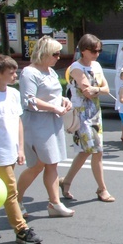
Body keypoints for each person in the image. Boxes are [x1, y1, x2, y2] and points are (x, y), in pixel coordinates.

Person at [0, 55, 42, 244]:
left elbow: (18, 122)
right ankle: (21, 230)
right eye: (11, 73)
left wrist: (20, 149)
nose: (15, 76)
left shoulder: (14, 94)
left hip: (11, 149)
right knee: (10, 191)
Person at [16, 37, 72, 219]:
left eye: (59, 53)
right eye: (55, 54)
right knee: (37, 165)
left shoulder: (51, 72)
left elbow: (56, 94)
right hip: (37, 122)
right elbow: (29, 100)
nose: (58, 57)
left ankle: (54, 203)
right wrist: (53, 107)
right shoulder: (29, 72)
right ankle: (16, 199)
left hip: (52, 121)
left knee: (52, 163)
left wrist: (64, 100)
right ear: (44, 54)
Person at [59, 34, 115, 203]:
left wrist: (96, 89)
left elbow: (106, 88)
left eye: (99, 50)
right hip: (81, 114)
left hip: (95, 113)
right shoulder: (76, 68)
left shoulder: (96, 65)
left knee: (86, 151)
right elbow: (86, 92)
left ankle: (66, 181)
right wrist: (98, 90)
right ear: (83, 51)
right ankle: (102, 189)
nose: (97, 54)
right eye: (93, 51)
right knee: (96, 151)